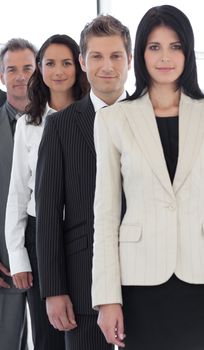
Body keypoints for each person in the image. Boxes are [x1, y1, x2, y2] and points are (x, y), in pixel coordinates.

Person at [92, 5, 204, 350]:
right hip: (140, 281)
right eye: (154, 47)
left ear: (188, 51)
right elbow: (106, 215)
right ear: (140, 54)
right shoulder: (115, 120)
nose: (165, 57)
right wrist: (107, 298)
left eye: (175, 46)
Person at [35, 15, 132, 350]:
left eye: (116, 56)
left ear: (130, 60)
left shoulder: (150, 117)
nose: (107, 66)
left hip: (148, 282)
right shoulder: (60, 127)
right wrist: (53, 289)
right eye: (96, 56)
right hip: (81, 288)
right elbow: (47, 215)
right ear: (83, 62)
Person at [5, 34, 89, 350]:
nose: (58, 71)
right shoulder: (29, 123)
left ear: (79, 66)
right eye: (50, 63)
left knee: (83, 328)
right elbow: (17, 194)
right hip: (41, 236)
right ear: (40, 69)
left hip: (84, 234)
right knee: (46, 336)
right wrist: (19, 258)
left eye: (66, 62)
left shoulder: (95, 117)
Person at [0, 38, 36, 350]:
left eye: (27, 67)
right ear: (2, 76)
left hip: (47, 258)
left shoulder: (58, 122)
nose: (20, 75)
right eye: (12, 69)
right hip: (2, 265)